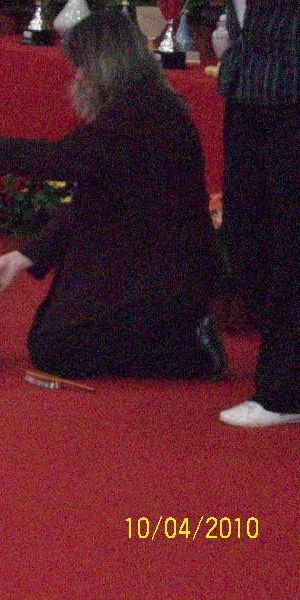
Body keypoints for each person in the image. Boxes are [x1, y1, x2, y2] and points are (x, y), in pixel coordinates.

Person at [0, 10, 226, 381]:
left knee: (57, 349)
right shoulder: (142, 105)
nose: (78, 77)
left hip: (161, 275)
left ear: (105, 66)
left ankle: (187, 345)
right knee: (50, 341)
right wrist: (25, 255)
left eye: (82, 67)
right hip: (135, 260)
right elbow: (91, 198)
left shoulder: (141, 116)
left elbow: (61, 159)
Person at [216, 2, 300, 427]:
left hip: (291, 99)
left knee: (290, 246)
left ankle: (283, 391)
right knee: (245, 239)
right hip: (247, 93)